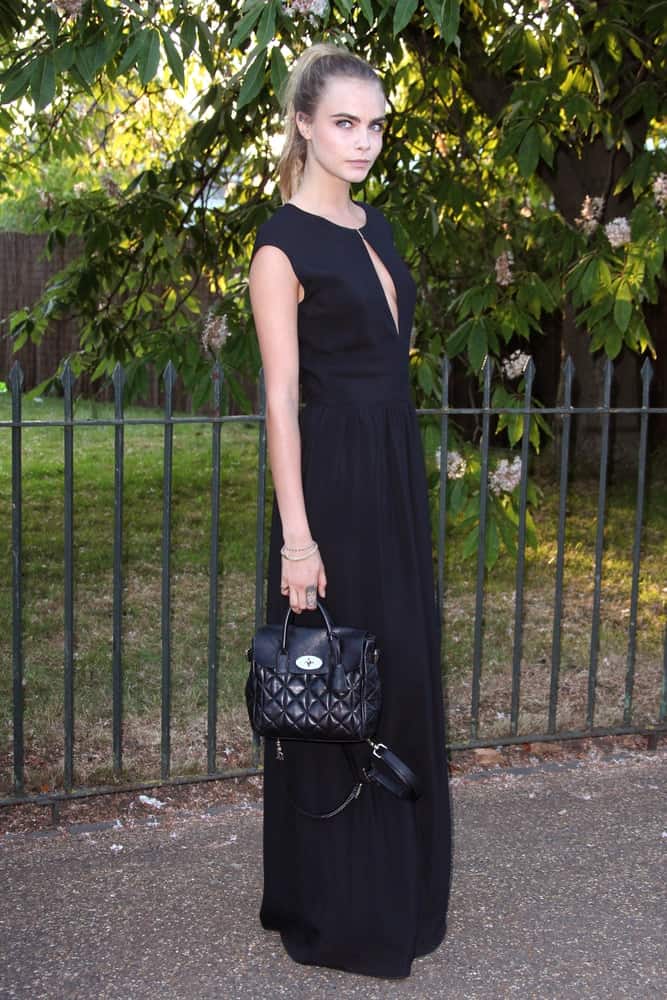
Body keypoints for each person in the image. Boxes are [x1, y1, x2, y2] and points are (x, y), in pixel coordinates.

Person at [248, 42, 452, 979]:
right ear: (302, 124)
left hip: (390, 471)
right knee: (335, 688)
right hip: (328, 481)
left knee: (396, 674)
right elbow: (281, 397)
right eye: (344, 122)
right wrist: (297, 538)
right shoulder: (280, 244)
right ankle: (337, 905)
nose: (363, 140)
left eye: (374, 124)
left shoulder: (382, 228)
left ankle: (399, 889)